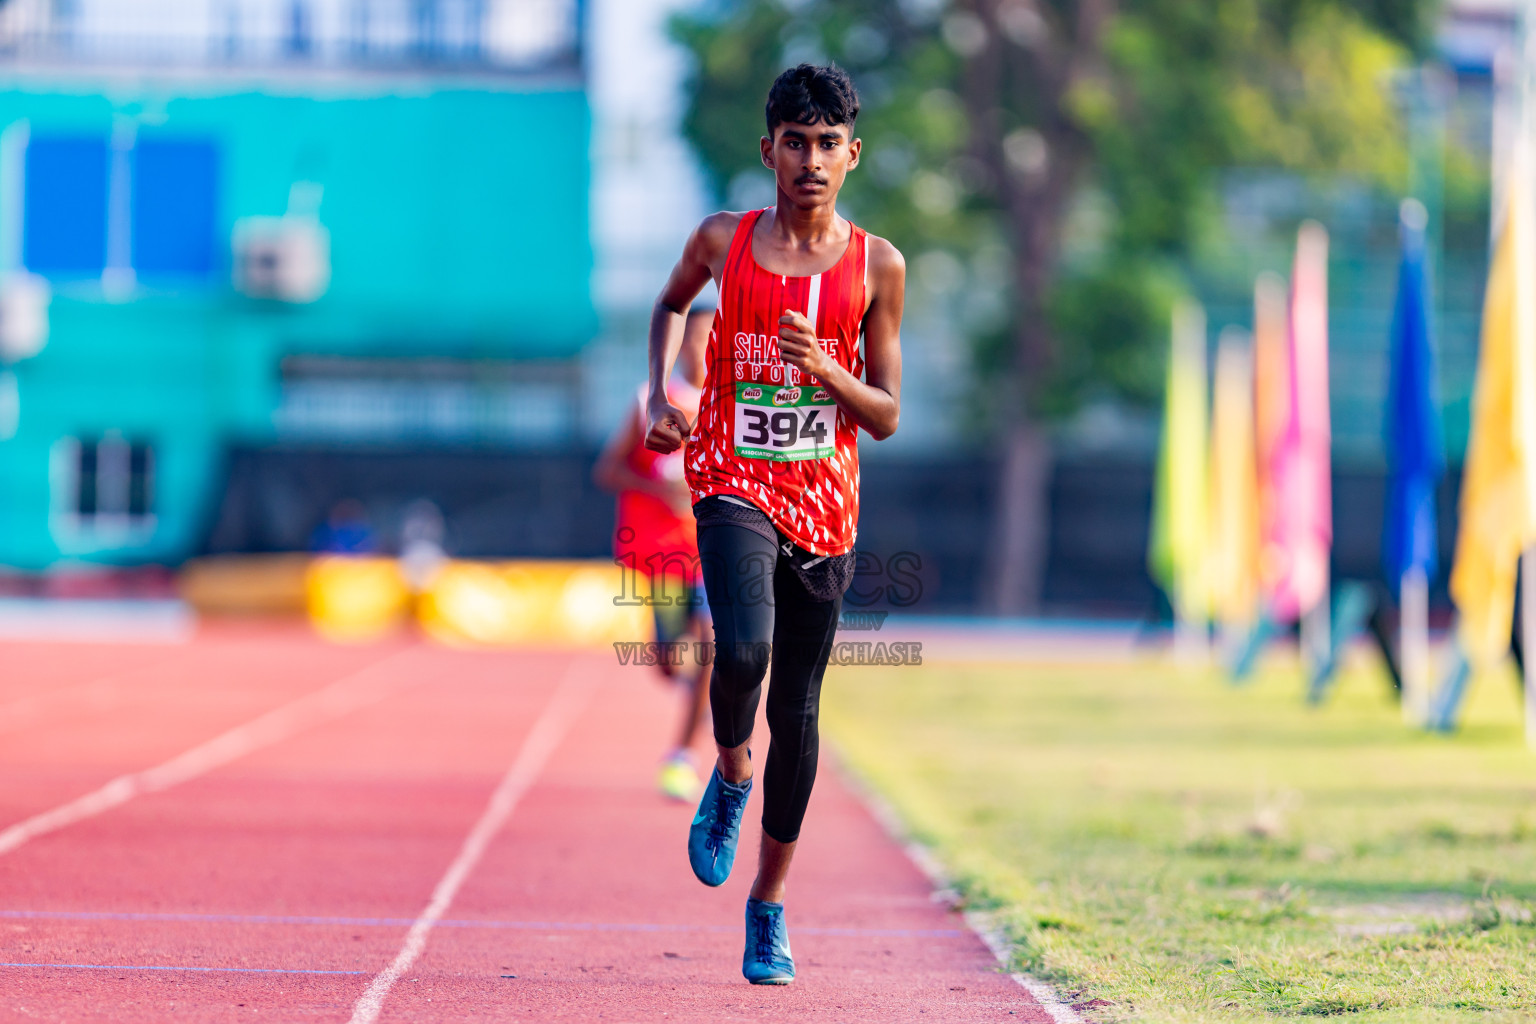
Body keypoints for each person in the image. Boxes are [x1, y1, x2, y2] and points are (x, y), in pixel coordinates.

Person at [644, 63, 904, 985]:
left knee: (798, 713)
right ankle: (728, 769)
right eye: (794, 141)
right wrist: (657, 398)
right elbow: (670, 306)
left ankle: (769, 905)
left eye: (828, 142)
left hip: (825, 507)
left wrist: (823, 369)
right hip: (731, 482)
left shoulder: (877, 266)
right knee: (741, 652)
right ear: (769, 151)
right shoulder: (725, 241)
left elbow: (884, 413)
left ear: (852, 155)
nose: (811, 158)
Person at [594, 309, 714, 801]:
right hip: (662, 556)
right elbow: (608, 470)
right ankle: (694, 690)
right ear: (680, 345)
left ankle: (682, 755)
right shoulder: (651, 402)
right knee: (667, 662)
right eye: (696, 339)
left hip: (714, 553)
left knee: (712, 647)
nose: (704, 349)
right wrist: (659, 491)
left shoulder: (735, 407)